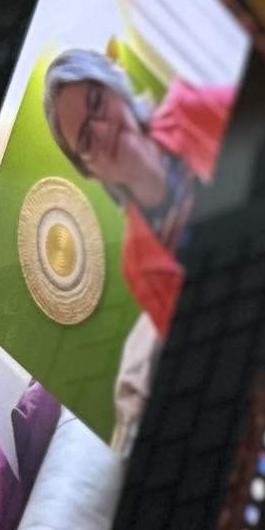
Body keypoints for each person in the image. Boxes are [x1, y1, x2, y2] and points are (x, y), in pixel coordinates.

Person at [40, 47, 231, 333]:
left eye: (96, 101)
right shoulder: (137, 267)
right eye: (86, 139)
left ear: (116, 89)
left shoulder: (188, 105)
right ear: (90, 170)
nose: (103, 133)